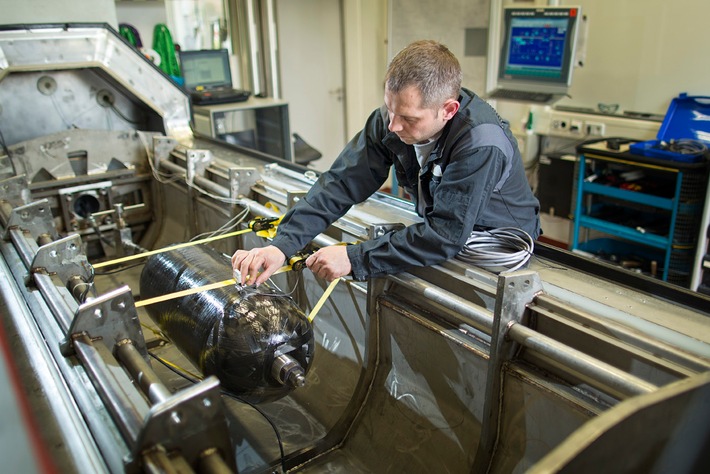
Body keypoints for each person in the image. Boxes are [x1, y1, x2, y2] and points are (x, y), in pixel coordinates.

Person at [232, 39, 540, 286]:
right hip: (442, 231)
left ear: (448, 110)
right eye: (390, 109)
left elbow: (445, 236)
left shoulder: (480, 144)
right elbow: (340, 184)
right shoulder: (390, 121)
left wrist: (354, 258)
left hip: (497, 243)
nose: (392, 125)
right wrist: (281, 245)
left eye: (407, 117)